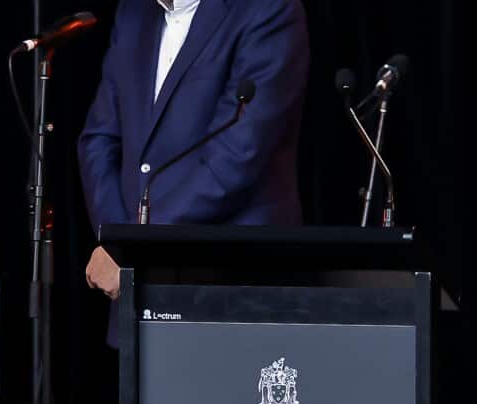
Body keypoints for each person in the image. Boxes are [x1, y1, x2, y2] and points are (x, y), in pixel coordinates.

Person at [78, 0, 310, 307]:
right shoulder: (133, 13)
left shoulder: (268, 10)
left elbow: (238, 153)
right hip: (135, 292)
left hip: (230, 287)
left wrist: (131, 247)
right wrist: (114, 241)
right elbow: (99, 139)